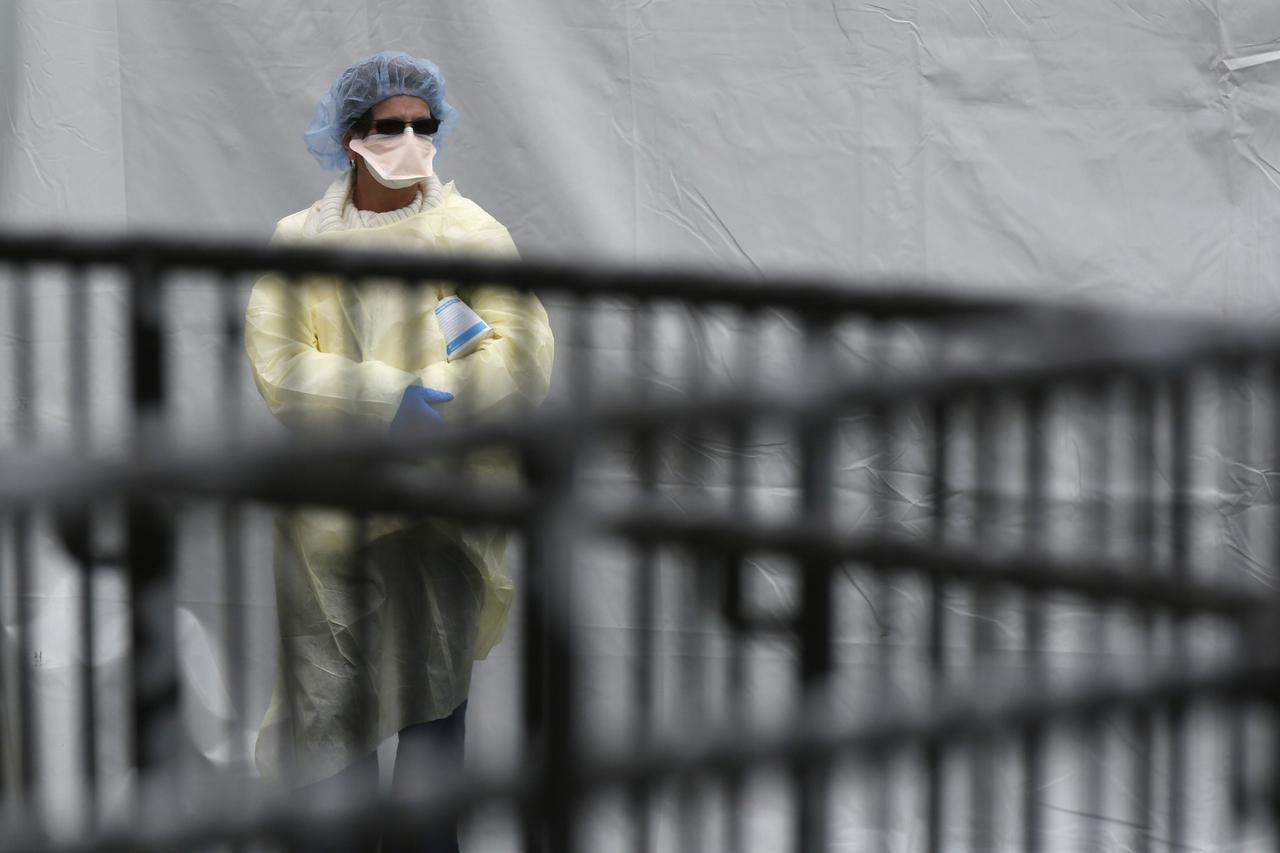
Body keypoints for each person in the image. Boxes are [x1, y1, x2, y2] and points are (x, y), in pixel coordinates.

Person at [243, 51, 555, 852]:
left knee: (432, 711)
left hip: (442, 514)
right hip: (330, 523)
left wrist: (443, 414)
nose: (412, 138)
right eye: (392, 126)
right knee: (329, 710)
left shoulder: (469, 234)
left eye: (425, 125)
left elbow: (522, 351)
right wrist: (389, 402)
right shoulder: (298, 240)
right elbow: (279, 362)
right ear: (352, 137)